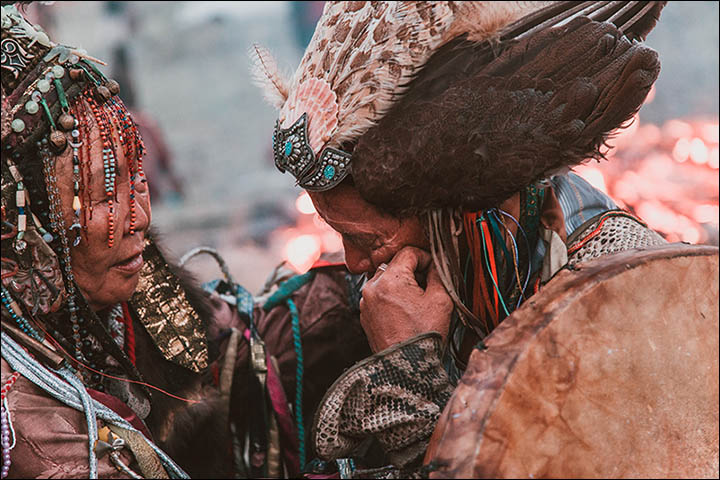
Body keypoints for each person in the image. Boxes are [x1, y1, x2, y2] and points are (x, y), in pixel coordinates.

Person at [251, 1, 669, 476]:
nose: (352, 262)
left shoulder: (622, 290)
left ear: (448, 211)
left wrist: (410, 374)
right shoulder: (406, 290)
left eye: (364, 239)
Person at [1, 3, 369, 478]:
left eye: (135, 182)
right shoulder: (21, 416)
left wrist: (360, 290)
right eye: (102, 193)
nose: (138, 217)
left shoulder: (131, 289)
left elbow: (238, 345)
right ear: (23, 225)